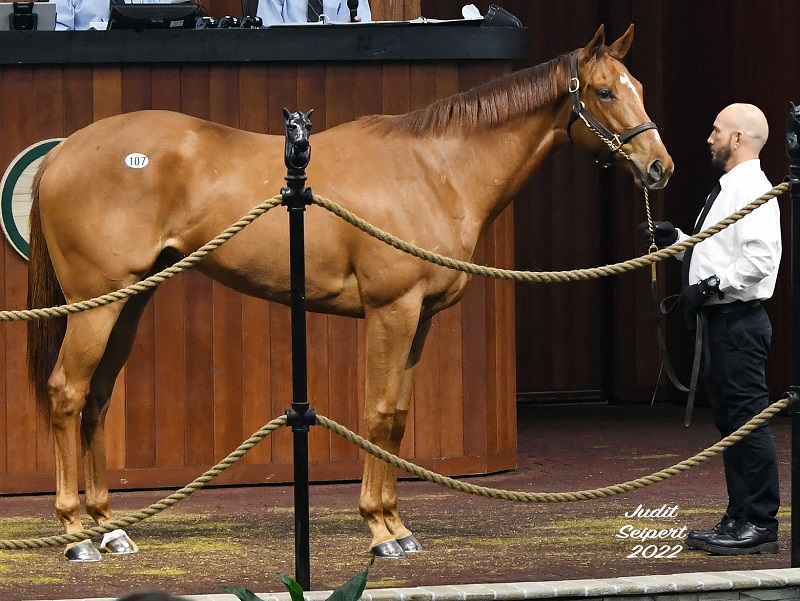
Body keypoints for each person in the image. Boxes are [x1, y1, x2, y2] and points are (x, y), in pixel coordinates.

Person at [643, 103, 782, 555]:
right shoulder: (731, 189)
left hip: (739, 323)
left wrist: (709, 286)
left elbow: (761, 259)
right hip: (727, 321)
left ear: (738, 139)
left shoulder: (752, 190)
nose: (709, 138)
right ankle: (741, 514)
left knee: (747, 421)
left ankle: (759, 522)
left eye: (716, 130)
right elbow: (721, 252)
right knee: (732, 422)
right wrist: (680, 243)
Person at [257, 0, 371, 26]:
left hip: (338, 64)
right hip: (289, 63)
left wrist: (353, 29)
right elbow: (268, 31)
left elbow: (364, 33)